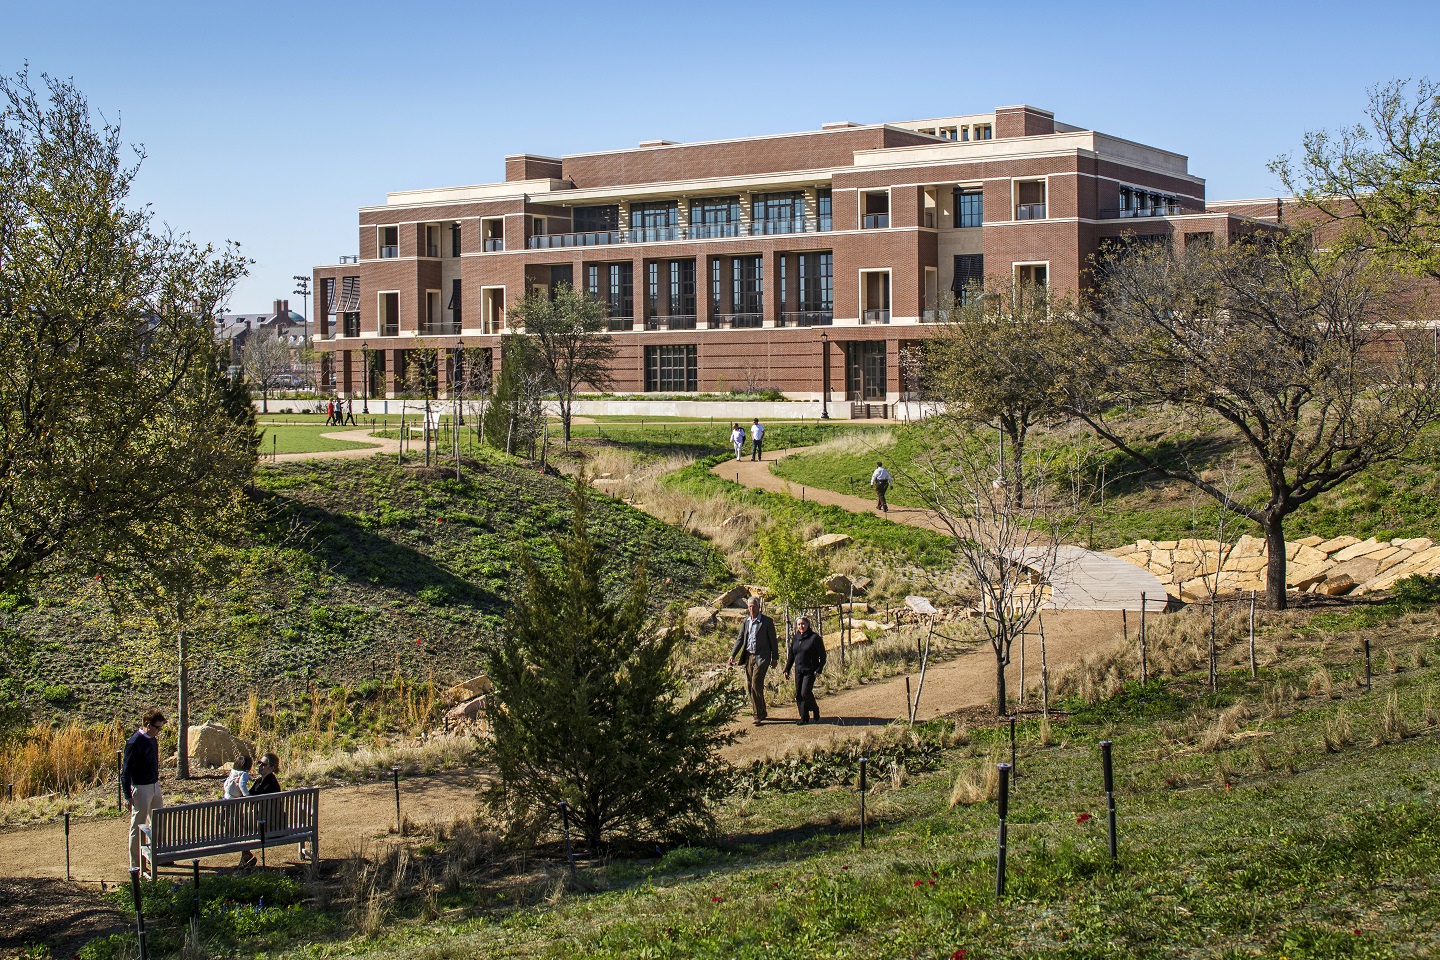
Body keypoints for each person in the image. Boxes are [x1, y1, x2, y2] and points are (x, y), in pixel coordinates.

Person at [122, 708, 165, 872]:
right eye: (157, 728)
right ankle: (137, 863)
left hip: (154, 785)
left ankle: (157, 856)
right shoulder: (134, 743)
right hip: (140, 788)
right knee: (138, 825)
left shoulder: (152, 739)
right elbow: (125, 772)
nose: (158, 732)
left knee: (158, 821)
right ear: (147, 725)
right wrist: (128, 795)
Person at [728, 596, 778, 724]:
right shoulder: (746, 621)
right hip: (749, 656)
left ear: (758, 607)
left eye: (753, 606)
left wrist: (775, 658)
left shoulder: (767, 622)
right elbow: (740, 639)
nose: (751, 608)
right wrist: (732, 655)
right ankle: (762, 710)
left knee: (756, 683)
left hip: (762, 656)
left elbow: (773, 641)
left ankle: (757, 714)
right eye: (749, 606)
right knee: (751, 685)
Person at [238, 752, 282, 868]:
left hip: (269, 825)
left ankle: (246, 855)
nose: (260, 766)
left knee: (239, 823)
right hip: (262, 820)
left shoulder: (271, 783)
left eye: (263, 764)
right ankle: (246, 854)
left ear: (271, 768)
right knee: (239, 822)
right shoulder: (259, 781)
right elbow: (249, 796)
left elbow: (255, 799)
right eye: (259, 763)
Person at [783, 616, 828, 725]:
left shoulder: (814, 638)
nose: (801, 626)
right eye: (799, 624)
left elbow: (823, 655)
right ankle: (804, 717)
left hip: (810, 670)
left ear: (808, 624)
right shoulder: (795, 638)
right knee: (798, 694)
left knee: (805, 692)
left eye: (803, 624)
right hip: (798, 670)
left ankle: (815, 709)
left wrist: (819, 669)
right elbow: (792, 655)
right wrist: (787, 669)